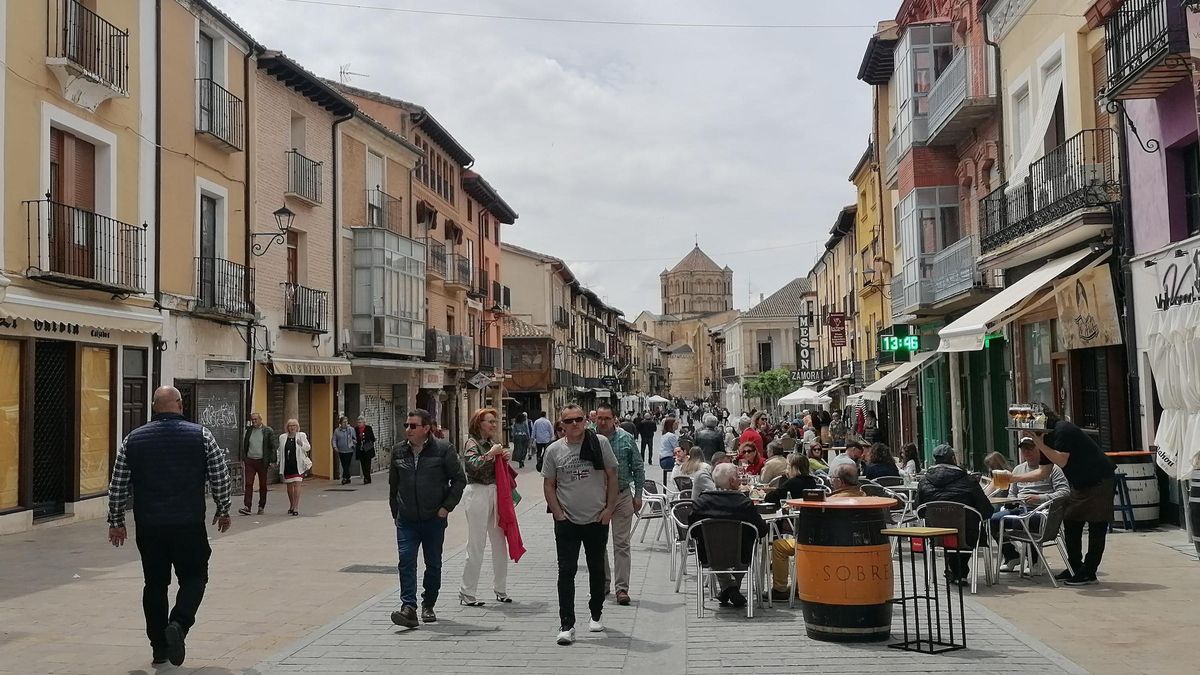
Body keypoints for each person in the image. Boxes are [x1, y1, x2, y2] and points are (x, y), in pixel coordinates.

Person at [106, 386, 232, 667]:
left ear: (154, 407)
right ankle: (179, 622)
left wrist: (116, 522)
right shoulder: (201, 435)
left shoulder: (133, 440)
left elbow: (118, 485)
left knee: (154, 584)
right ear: (178, 404)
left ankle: (159, 649)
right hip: (188, 523)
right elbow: (220, 476)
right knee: (195, 576)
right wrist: (223, 509)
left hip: (150, 526)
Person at [1001, 410, 1116, 586]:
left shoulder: (1063, 430)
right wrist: (1013, 478)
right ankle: (1075, 566)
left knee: (1096, 525)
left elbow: (1061, 461)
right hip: (1079, 484)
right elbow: (1042, 472)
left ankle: (1089, 572)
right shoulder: (1046, 440)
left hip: (1100, 480)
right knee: (1071, 522)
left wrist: (1039, 442)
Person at [543, 404, 618, 646]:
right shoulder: (554, 451)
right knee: (566, 571)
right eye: (569, 421)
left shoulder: (600, 444)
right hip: (567, 521)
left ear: (586, 421)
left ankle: (596, 613)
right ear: (561, 425)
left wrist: (609, 509)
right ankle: (567, 624)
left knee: (597, 569)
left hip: (596, 518)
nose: (575, 424)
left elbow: (612, 476)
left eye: (579, 419)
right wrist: (558, 513)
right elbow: (549, 484)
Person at [389, 409, 467, 628]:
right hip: (407, 520)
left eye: (413, 426)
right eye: (406, 425)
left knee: (433, 563)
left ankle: (428, 604)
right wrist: (395, 512)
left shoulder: (443, 450)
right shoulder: (398, 451)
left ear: (426, 428)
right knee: (406, 561)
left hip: (434, 518)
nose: (408, 430)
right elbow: (393, 486)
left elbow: (459, 480)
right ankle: (408, 608)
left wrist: (446, 508)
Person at [687, 463, 768, 608]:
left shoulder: (701, 503)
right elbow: (761, 531)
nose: (740, 479)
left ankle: (729, 589)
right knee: (747, 549)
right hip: (741, 556)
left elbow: (692, 531)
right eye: (738, 476)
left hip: (709, 555)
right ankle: (731, 588)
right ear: (731, 481)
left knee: (714, 547)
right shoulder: (744, 504)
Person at [459, 408, 514, 607]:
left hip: (494, 493)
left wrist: (503, 458)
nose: (493, 425)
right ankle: (467, 591)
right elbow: (472, 465)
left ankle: (500, 588)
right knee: (476, 543)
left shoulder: (490, 444)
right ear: (478, 423)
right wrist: (492, 455)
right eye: (489, 421)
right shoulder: (471, 443)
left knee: (499, 541)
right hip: (477, 493)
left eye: (494, 421)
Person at [916, 444, 994, 585]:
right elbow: (986, 510)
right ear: (953, 459)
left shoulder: (924, 481)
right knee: (964, 528)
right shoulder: (969, 481)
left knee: (947, 529)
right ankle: (960, 572)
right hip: (966, 534)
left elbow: (919, 509)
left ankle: (956, 571)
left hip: (935, 534)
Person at [994, 437, 1070, 573]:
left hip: (1043, 511)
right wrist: (1012, 501)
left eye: (1030, 448)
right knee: (992, 520)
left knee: (1024, 521)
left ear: (1039, 449)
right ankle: (1012, 555)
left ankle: (1034, 560)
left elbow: (1064, 492)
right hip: (1021, 508)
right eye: (1023, 449)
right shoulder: (1018, 469)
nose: (1026, 451)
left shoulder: (1052, 469)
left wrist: (1040, 498)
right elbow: (1012, 493)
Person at [594, 403, 644, 606]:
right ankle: (604, 583)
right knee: (598, 544)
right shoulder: (589, 439)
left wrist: (638, 494)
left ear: (615, 419)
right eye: (599, 418)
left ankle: (622, 588)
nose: (603, 422)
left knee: (621, 544)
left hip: (622, 496)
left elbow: (638, 467)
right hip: (598, 497)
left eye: (606, 418)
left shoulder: (625, 438)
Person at [765, 453, 818, 600]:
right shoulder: (812, 482)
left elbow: (770, 498)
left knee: (778, 546)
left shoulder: (793, 483)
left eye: (788, 466)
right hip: (814, 533)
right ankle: (798, 584)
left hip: (800, 535)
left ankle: (780, 588)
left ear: (794, 468)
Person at [239, 412, 277, 516]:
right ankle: (247, 506)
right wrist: (244, 458)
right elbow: (245, 444)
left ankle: (261, 506)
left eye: (256, 419)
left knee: (263, 485)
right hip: (250, 460)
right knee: (248, 483)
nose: (254, 421)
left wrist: (273, 460)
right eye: (252, 420)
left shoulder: (268, 431)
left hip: (262, 461)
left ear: (261, 419)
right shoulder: (249, 430)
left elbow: (273, 446)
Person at [280, 419, 312, 516]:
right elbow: (280, 450)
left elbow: (308, 447)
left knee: (297, 484)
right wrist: (277, 461)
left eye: (294, 425)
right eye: (290, 425)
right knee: (289, 486)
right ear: (287, 427)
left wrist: (301, 444)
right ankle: (291, 505)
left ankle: (296, 507)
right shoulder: (282, 437)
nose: (292, 427)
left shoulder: (301, 435)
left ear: (297, 427)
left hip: (298, 464)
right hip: (287, 464)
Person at [332, 416, 356, 485]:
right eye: (344, 422)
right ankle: (348, 477)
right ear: (340, 423)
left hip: (349, 450)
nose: (345, 424)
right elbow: (334, 439)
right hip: (341, 450)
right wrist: (335, 447)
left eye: (346, 422)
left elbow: (354, 438)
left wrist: (354, 442)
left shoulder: (351, 429)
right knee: (343, 464)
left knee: (346, 464)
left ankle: (344, 478)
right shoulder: (337, 431)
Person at [354, 416, 376, 484]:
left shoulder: (368, 428)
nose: (359, 424)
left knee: (367, 464)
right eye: (358, 422)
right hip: (360, 449)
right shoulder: (356, 429)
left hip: (367, 449)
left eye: (360, 422)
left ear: (364, 422)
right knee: (363, 464)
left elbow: (372, 438)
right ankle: (366, 477)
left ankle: (367, 478)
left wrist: (366, 444)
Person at [659, 417, 680, 483]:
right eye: (676, 424)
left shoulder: (664, 435)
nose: (677, 425)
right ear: (671, 425)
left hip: (663, 460)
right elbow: (677, 448)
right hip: (668, 460)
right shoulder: (671, 436)